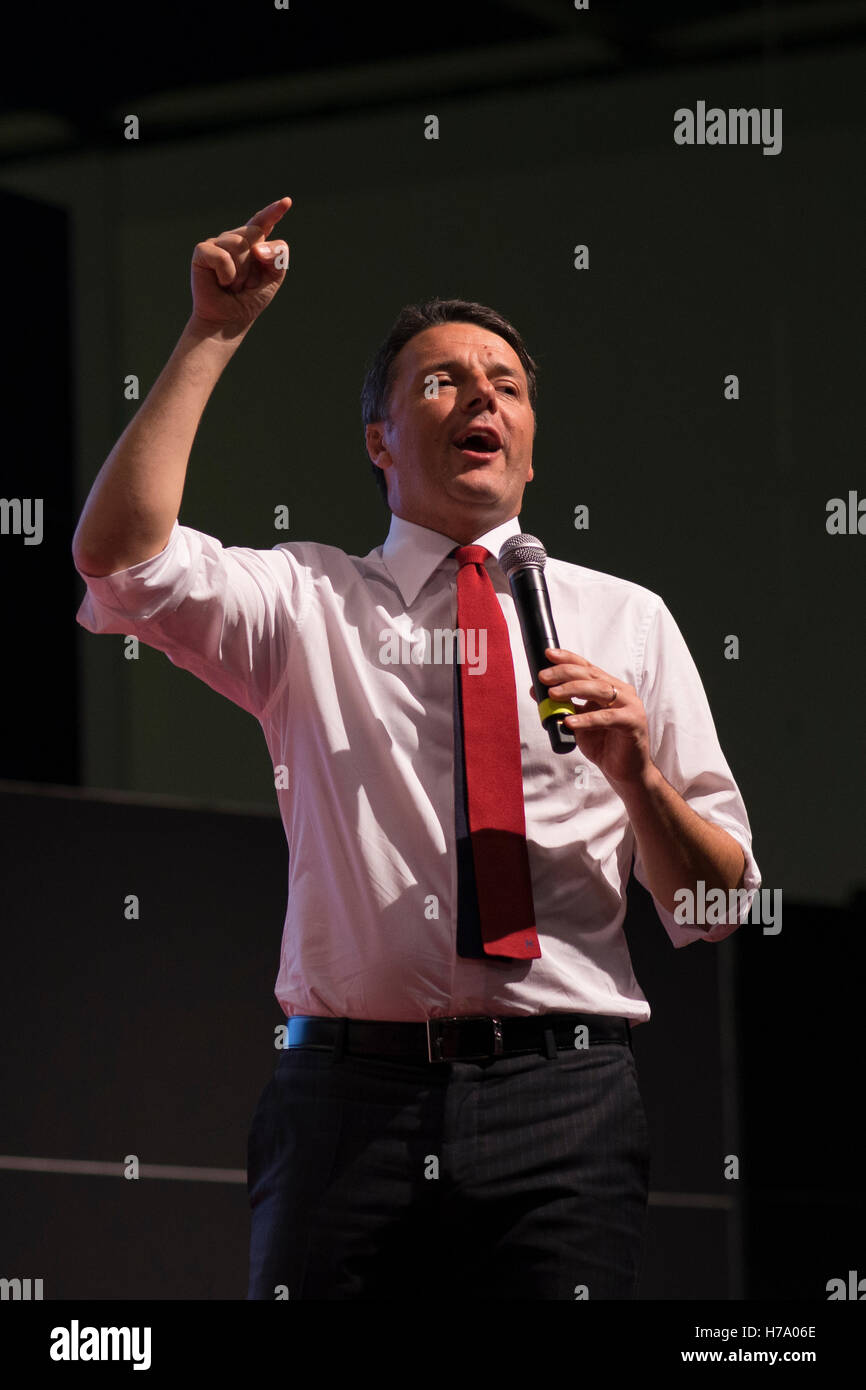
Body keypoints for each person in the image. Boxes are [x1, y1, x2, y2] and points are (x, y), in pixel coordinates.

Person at [72, 196, 760, 1301]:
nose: (481, 393)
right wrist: (213, 332)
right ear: (378, 441)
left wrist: (638, 781)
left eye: (507, 383)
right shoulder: (303, 600)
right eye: (441, 379)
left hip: (565, 1104)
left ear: (529, 443)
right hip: (346, 1104)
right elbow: (115, 557)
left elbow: (717, 907)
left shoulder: (628, 619)